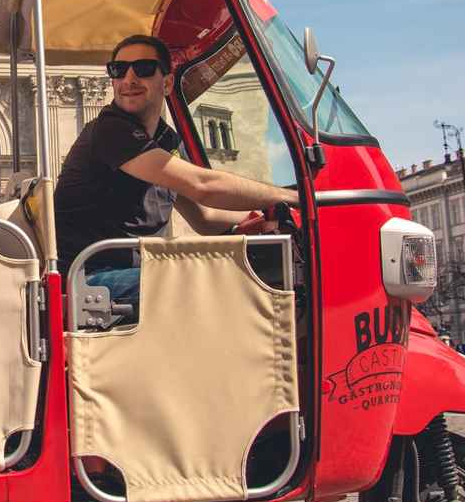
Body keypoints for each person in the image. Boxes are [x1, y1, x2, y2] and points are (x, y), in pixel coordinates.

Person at [54, 34, 300, 309]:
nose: (129, 79)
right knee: (226, 283)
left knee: (251, 273)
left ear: (168, 82)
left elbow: (204, 217)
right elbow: (203, 186)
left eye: (144, 69)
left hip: (134, 272)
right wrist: (292, 196)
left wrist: (253, 220)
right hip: (93, 278)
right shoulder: (109, 131)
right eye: (118, 70)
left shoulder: (166, 141)